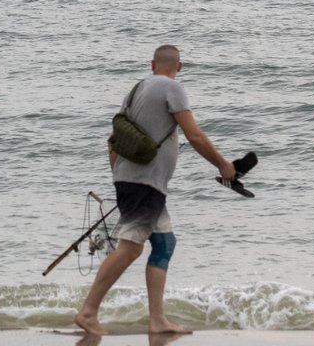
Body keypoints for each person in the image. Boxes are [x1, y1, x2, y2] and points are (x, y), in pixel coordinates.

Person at [75, 45, 235, 337]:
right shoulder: (173, 88)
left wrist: (121, 178)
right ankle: (88, 311)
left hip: (137, 182)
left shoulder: (135, 91)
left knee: (164, 244)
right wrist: (223, 164)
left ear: (152, 65)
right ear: (180, 66)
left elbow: (113, 141)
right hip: (144, 185)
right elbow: (195, 135)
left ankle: (157, 320)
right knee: (131, 248)